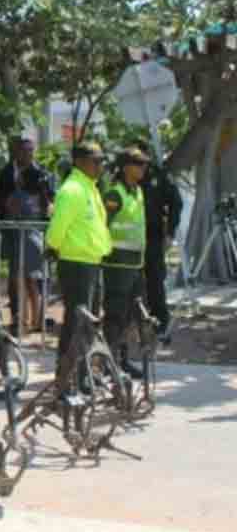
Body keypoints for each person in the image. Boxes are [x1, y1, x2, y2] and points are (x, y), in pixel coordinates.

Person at [45, 142, 111, 388]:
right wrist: (54, 246)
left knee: (88, 324)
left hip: (90, 262)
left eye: (102, 161)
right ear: (81, 162)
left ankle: (82, 376)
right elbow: (57, 230)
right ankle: (65, 379)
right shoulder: (72, 189)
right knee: (75, 324)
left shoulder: (88, 187)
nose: (101, 166)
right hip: (76, 264)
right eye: (97, 161)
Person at [0, 136, 56, 334]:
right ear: (15, 152)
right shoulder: (6, 172)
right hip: (11, 230)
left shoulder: (41, 173)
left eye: (31, 150)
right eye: (24, 150)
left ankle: (36, 319)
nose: (28, 154)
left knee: (33, 277)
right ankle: (19, 319)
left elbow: (49, 200)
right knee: (15, 275)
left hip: (33, 229)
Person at [101, 147, 151, 377]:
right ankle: (109, 363)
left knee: (129, 316)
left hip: (135, 265)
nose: (143, 168)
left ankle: (122, 361)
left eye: (144, 164)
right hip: (117, 266)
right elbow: (102, 227)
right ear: (125, 167)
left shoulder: (137, 191)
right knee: (115, 316)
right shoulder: (115, 194)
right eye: (139, 164)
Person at [141, 156, 183, 339]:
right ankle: (131, 324)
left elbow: (176, 203)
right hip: (130, 239)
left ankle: (160, 324)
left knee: (155, 281)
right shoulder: (121, 175)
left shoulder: (159, 175)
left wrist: (170, 232)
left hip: (153, 237)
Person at [7, 167, 52, 333]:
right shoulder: (42, 197)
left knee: (21, 283)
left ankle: (23, 322)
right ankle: (37, 320)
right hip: (38, 240)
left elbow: (9, 209)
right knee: (34, 284)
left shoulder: (19, 195)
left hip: (23, 241)